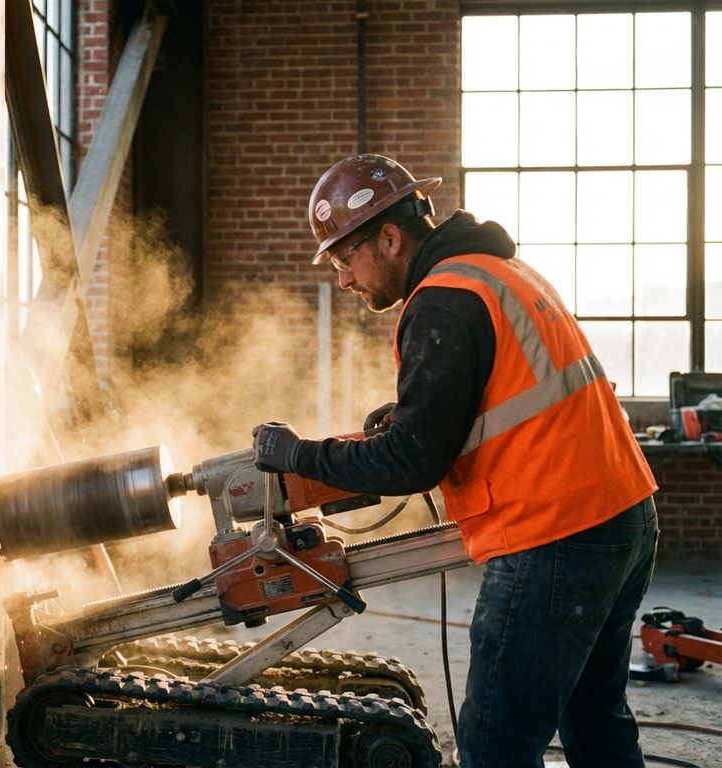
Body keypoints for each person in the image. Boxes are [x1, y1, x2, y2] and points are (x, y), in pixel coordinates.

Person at [251, 154, 659, 768]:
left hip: (554, 535)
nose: (344, 280)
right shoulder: (500, 272)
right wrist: (416, 413)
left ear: (389, 237)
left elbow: (411, 463)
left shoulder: (442, 299)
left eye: (344, 260)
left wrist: (298, 455)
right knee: (595, 723)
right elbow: (508, 395)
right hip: (622, 517)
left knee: (496, 743)